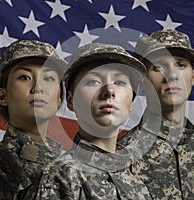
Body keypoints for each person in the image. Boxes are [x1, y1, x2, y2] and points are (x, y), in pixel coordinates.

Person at [24, 42, 154, 199]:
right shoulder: (60, 178)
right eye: (93, 81)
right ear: (71, 101)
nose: (109, 91)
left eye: (119, 82)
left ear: (131, 102)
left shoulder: (137, 185)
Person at [118, 29, 194, 199]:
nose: (172, 75)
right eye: (158, 67)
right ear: (142, 80)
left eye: (180, 65)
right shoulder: (119, 158)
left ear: (193, 77)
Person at [0, 40, 67, 199]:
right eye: (24, 77)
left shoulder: (63, 161)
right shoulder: (0, 166)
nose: (38, 87)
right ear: (3, 96)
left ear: (59, 98)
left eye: (48, 78)